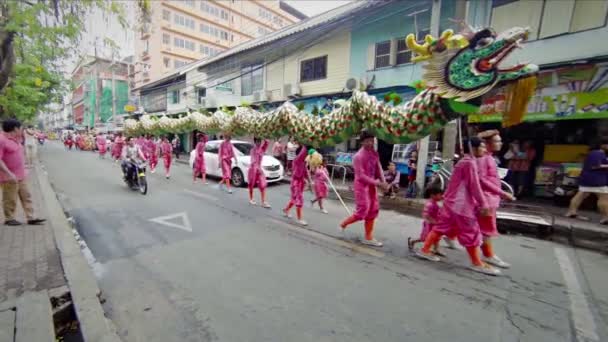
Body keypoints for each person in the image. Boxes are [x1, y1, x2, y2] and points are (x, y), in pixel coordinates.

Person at [415, 137, 500, 276]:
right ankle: (477, 263)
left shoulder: (465, 162)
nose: (484, 150)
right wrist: (483, 203)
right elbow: (474, 186)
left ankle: (425, 250)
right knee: (471, 232)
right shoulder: (469, 163)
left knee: (440, 228)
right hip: (461, 205)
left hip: (451, 203)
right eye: (482, 147)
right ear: (473, 148)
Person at [338, 130, 389, 247]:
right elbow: (360, 176)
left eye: (372, 140)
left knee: (373, 210)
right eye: (367, 141)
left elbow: (378, 168)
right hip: (361, 186)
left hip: (372, 185)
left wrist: (383, 182)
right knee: (362, 212)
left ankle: (368, 237)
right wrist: (378, 183)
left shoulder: (374, 153)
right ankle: (343, 224)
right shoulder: (358, 156)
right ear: (362, 142)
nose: (370, 143)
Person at [477, 130, 516, 269]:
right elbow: (481, 180)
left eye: (500, 141)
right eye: (497, 141)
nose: (500, 143)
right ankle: (487, 255)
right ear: (487, 144)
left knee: (476, 227)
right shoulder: (483, 158)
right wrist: (503, 193)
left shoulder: (489, 157)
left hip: (490, 198)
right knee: (486, 229)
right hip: (486, 199)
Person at [0, 119, 45, 226]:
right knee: (10, 198)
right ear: (15, 129)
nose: (22, 130)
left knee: (26, 196)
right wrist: (8, 173)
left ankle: (31, 217)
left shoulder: (16, 138)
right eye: (21, 128)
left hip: (21, 174)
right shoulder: (2, 140)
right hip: (8, 176)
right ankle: (9, 218)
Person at [565, 138, 608, 224]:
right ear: (602, 145)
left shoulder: (593, 153)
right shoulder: (598, 153)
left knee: (580, 195)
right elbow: (595, 166)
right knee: (604, 198)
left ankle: (571, 212)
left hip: (587, 179)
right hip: (597, 179)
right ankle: (606, 217)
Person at [408, 185, 443, 253]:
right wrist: (433, 221)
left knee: (436, 237)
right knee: (425, 238)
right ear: (433, 195)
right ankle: (412, 241)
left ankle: (436, 249)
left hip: (434, 223)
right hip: (429, 224)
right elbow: (426, 215)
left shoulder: (434, 203)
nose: (441, 196)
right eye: (440, 195)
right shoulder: (430, 204)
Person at [283, 144, 310, 225]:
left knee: (294, 199)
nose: (306, 155)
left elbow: (306, 173)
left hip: (300, 183)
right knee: (299, 199)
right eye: (305, 154)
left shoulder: (303, 162)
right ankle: (299, 219)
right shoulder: (297, 160)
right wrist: (306, 145)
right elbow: (302, 153)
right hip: (295, 184)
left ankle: (286, 209)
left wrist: (309, 182)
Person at [248, 137, 271, 208]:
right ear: (255, 142)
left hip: (259, 169)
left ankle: (263, 202)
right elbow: (253, 160)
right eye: (258, 141)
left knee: (263, 184)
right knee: (251, 184)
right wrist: (257, 168)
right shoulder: (252, 150)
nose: (259, 143)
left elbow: (267, 142)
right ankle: (251, 199)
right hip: (253, 169)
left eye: (260, 141)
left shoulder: (262, 149)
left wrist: (263, 136)